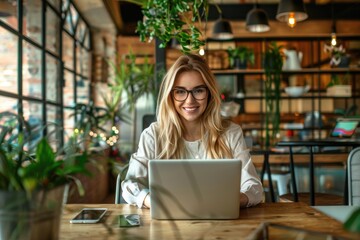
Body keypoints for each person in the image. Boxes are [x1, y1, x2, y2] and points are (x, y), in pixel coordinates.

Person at [122, 54, 263, 209]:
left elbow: (254, 189)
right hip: (168, 224)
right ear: (170, 95)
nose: (190, 101)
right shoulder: (153, 135)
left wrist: (229, 201)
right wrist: (153, 202)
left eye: (198, 91)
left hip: (220, 223)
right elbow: (130, 185)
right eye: (180, 92)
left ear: (209, 93)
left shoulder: (231, 133)